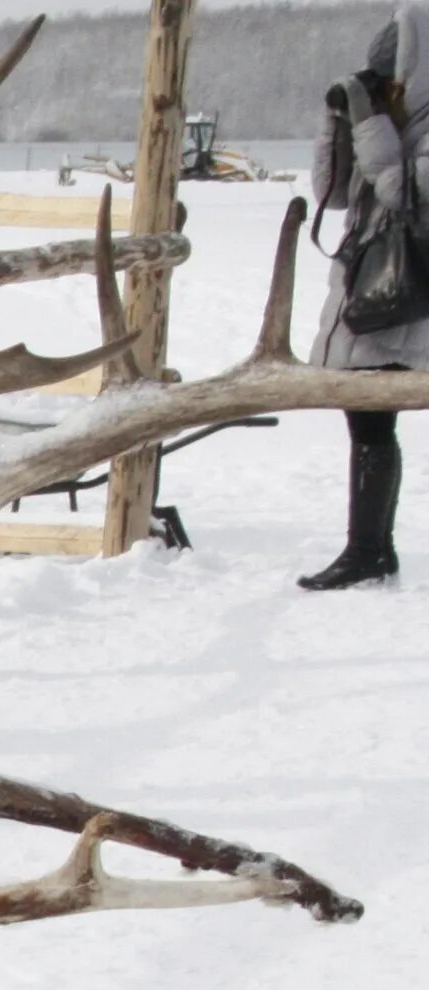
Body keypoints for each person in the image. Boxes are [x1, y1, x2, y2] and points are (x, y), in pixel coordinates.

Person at [303, 9, 429, 589]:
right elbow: (329, 195)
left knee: (375, 425)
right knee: (368, 425)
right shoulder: (382, 120)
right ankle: (370, 550)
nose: (388, 92)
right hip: (369, 297)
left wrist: (370, 122)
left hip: (410, 302)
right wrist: (339, 117)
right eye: (381, 84)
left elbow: (405, 195)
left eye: (393, 81)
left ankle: (369, 551)